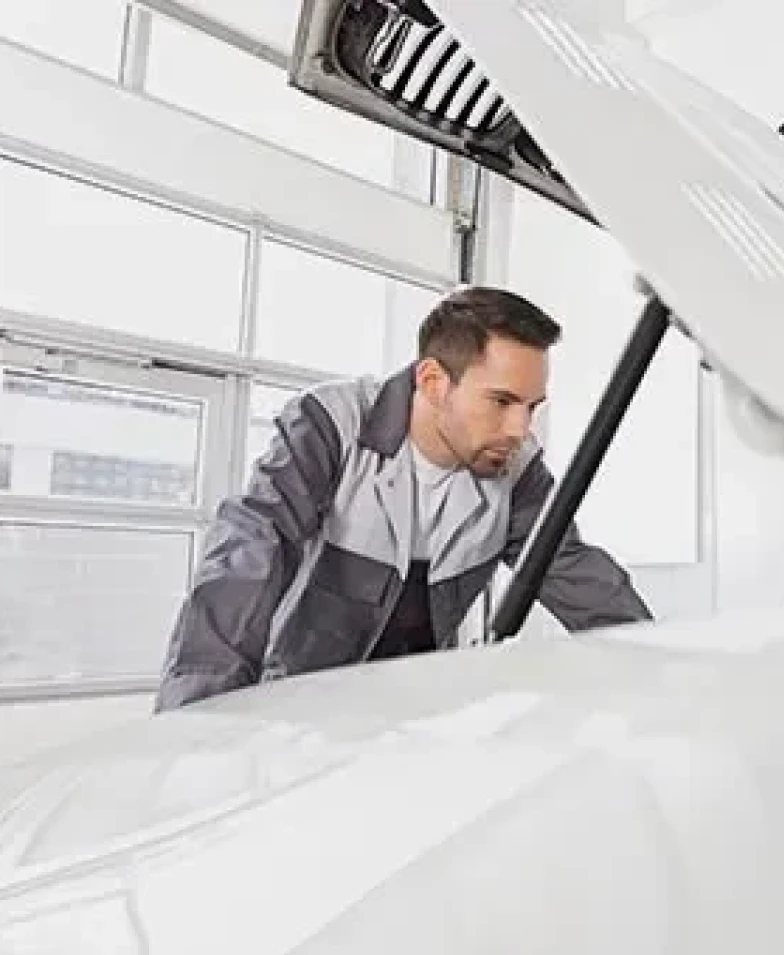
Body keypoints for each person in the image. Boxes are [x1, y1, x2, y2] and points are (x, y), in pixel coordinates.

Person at [154, 286, 652, 712]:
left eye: (531, 407)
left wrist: (661, 672)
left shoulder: (516, 472)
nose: (520, 430)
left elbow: (577, 576)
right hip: (300, 711)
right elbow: (250, 553)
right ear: (433, 381)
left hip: (410, 717)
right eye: (501, 401)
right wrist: (199, 720)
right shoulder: (332, 425)